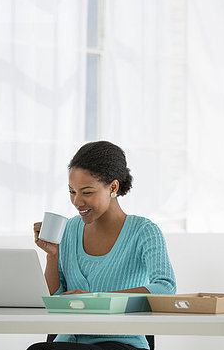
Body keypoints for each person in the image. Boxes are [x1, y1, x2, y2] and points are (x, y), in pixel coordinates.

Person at [28, 141, 176, 350]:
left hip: (122, 343)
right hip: (68, 342)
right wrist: (52, 255)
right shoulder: (70, 229)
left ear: (113, 187)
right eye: (72, 191)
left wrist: (95, 300)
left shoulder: (143, 231)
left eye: (87, 192)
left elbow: (166, 288)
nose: (77, 202)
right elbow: (56, 298)